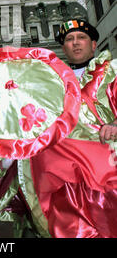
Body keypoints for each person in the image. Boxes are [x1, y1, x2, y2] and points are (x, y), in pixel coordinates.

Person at [21, 18, 117, 238]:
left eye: (81, 38)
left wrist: (114, 125)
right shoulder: (51, 84)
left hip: (106, 172)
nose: (75, 43)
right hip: (63, 178)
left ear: (94, 44)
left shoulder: (112, 72)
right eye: (69, 39)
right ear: (63, 48)